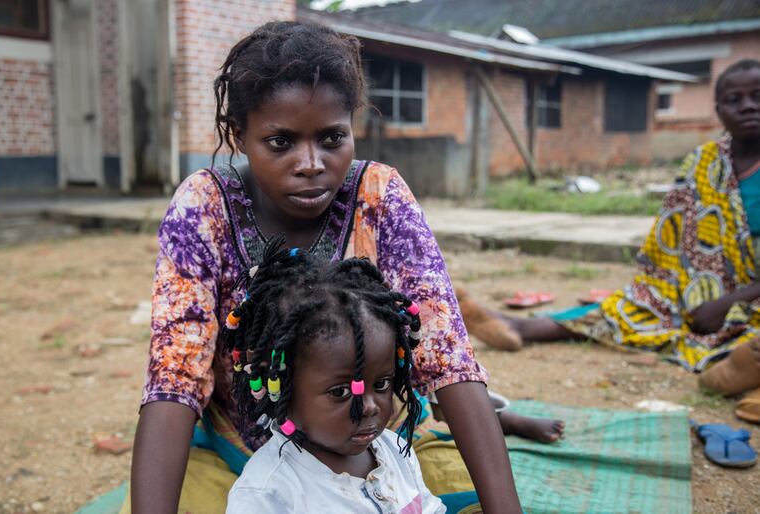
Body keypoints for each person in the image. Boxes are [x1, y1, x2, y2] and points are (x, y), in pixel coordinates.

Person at [126, 21, 526, 514]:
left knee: (464, 497)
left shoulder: (379, 197)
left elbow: (447, 359)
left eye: (333, 137)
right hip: (244, 453)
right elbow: (174, 376)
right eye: (280, 142)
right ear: (238, 134)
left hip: (374, 447)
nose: (311, 163)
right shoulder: (203, 207)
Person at [461, 59, 760, 376]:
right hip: (699, 290)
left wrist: (730, 302)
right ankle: (519, 325)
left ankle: (736, 373)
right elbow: (672, 244)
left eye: (757, 96)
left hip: (751, 294)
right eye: (734, 100)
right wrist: (701, 297)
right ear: (717, 108)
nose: (747, 106)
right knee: (637, 304)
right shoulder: (705, 161)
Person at [224, 241, 445, 513]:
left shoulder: (396, 450)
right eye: (340, 392)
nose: (370, 406)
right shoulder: (267, 493)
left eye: (382, 384)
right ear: (281, 388)